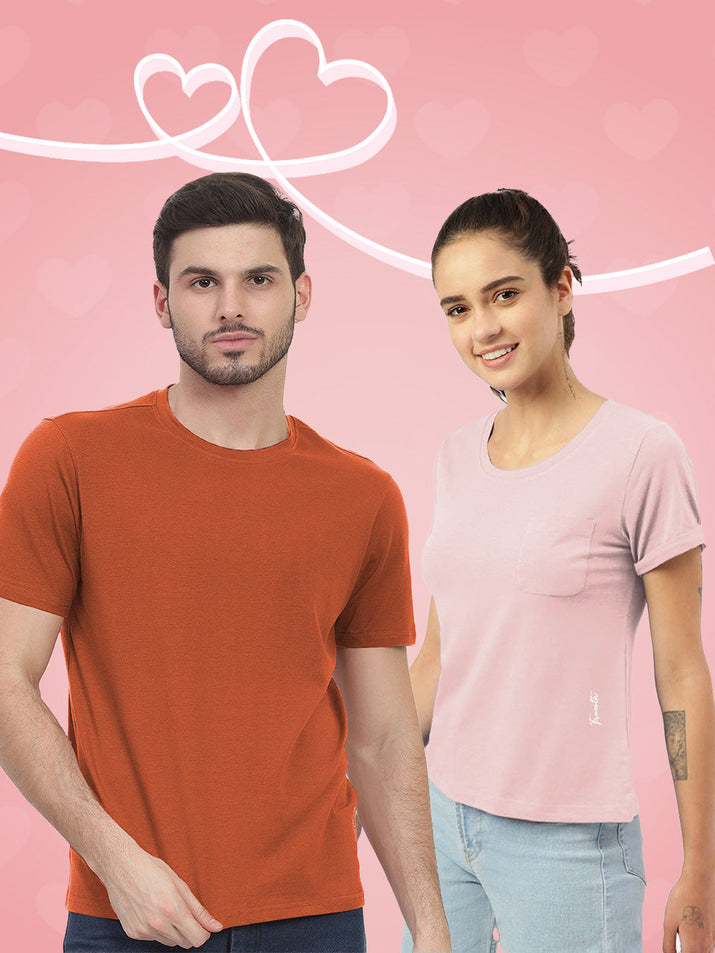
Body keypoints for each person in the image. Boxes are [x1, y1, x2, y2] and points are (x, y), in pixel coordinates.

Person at [0, 172, 450, 953]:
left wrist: (432, 924)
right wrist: (116, 862)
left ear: (301, 296)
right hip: (129, 915)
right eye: (202, 281)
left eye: (259, 280)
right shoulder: (69, 457)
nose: (231, 306)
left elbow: (381, 737)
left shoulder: (364, 497)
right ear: (161, 301)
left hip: (316, 920)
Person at [402, 189, 715, 953]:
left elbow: (680, 673)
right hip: (444, 823)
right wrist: (364, 787)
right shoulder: (453, 456)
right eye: (456, 308)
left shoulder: (642, 452)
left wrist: (699, 872)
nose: (482, 328)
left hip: (569, 844)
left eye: (503, 294)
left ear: (561, 286)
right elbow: (440, 656)